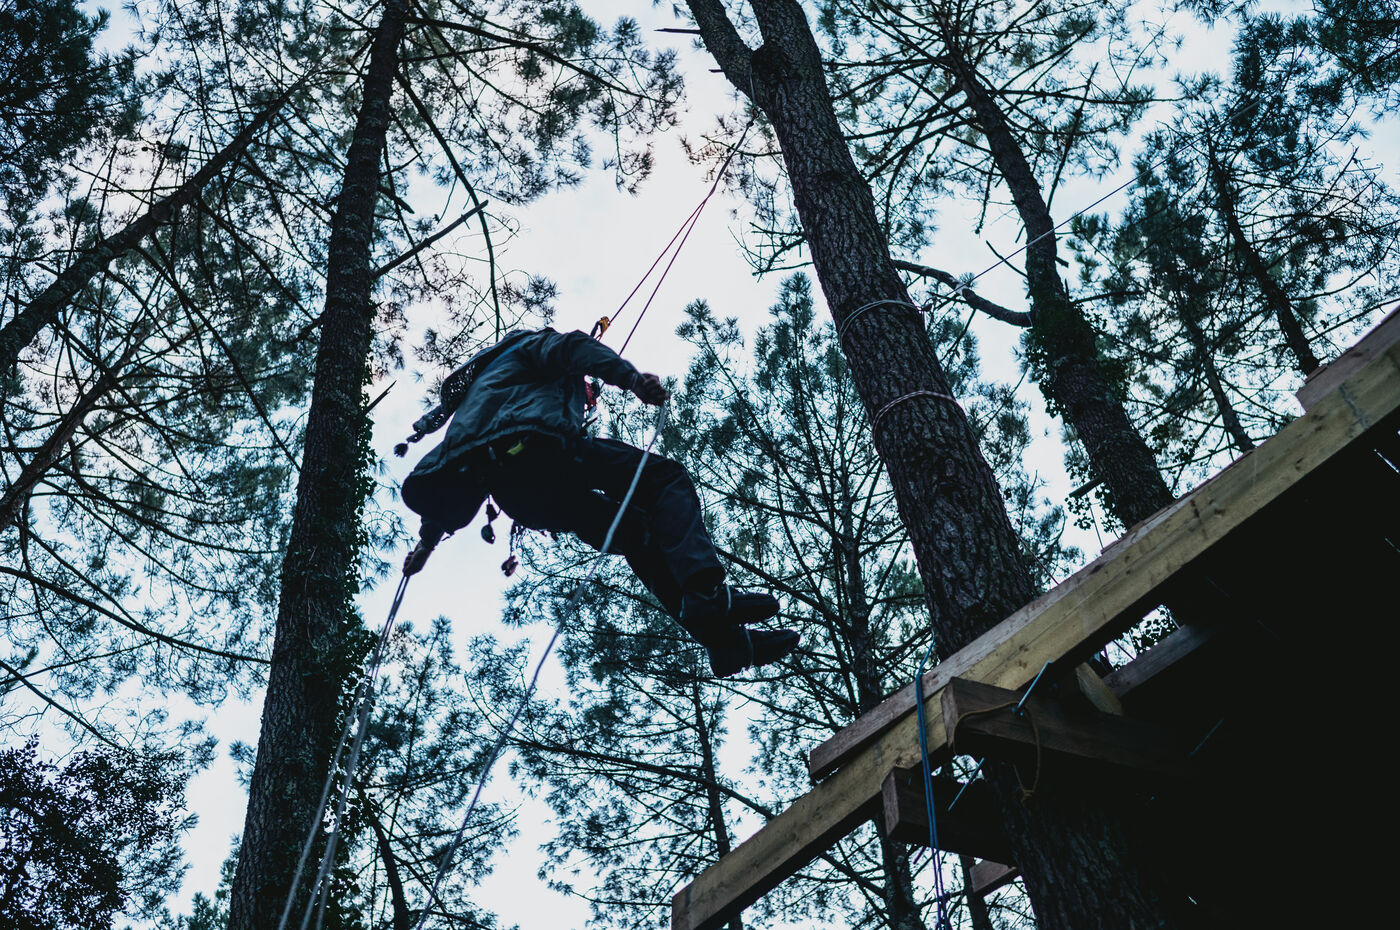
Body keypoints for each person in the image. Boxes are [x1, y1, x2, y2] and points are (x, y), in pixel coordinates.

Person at [397, 327, 799, 678]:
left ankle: (726, 644)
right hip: (541, 452)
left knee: (638, 535)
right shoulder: (528, 347)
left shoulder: (478, 397)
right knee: (665, 479)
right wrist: (632, 380)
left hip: (522, 497)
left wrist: (427, 544)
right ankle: (707, 592)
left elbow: (463, 476)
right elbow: (573, 346)